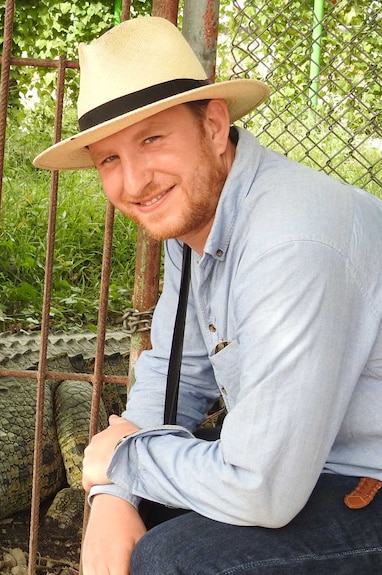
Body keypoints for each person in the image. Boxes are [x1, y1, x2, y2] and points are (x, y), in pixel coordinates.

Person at [33, 16, 382, 575]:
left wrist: (119, 459)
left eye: (152, 139)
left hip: (362, 474)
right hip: (318, 465)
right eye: (109, 159)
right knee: (144, 499)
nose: (135, 182)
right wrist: (113, 494)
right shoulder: (199, 220)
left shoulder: (291, 238)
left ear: (214, 126)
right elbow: (176, 372)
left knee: (174, 560)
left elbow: (262, 490)